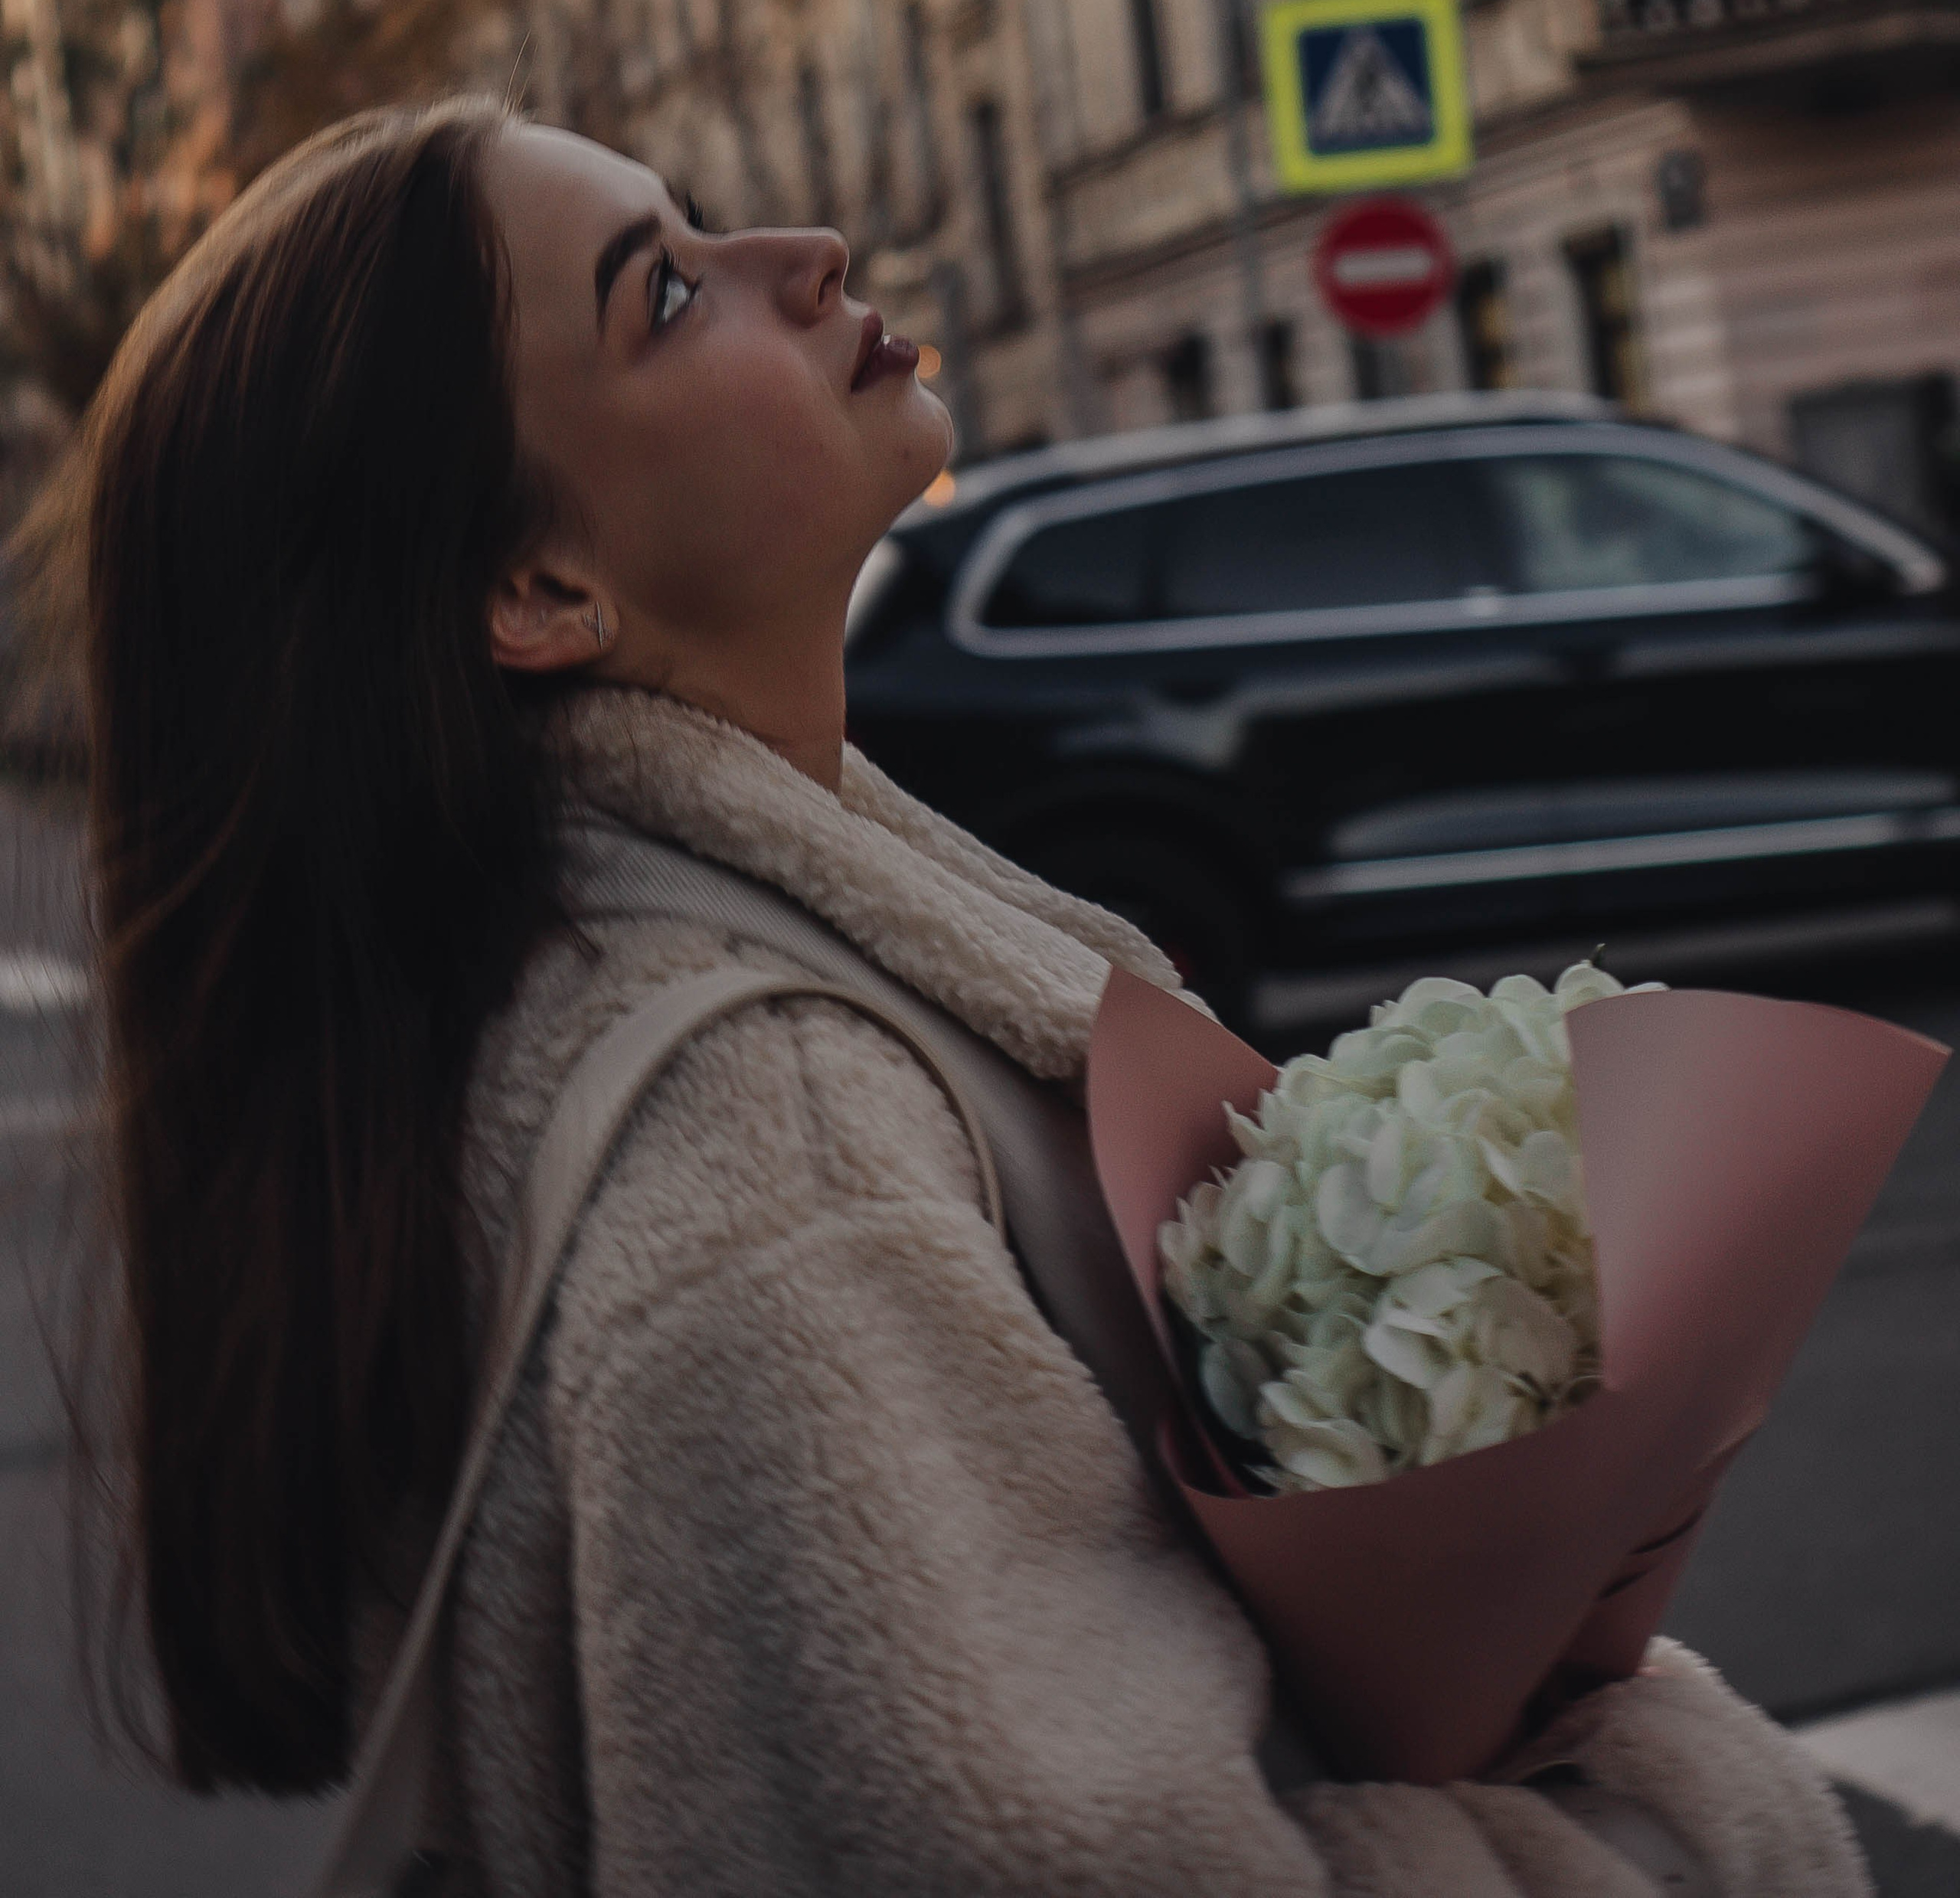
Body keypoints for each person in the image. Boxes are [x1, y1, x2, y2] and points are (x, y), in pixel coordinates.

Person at [74, 97, 1864, 1896]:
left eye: (699, 225)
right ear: (538, 590)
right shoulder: (772, 1151)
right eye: (666, 296)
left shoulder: (630, 985)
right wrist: (1664, 1814)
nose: (802, 254)